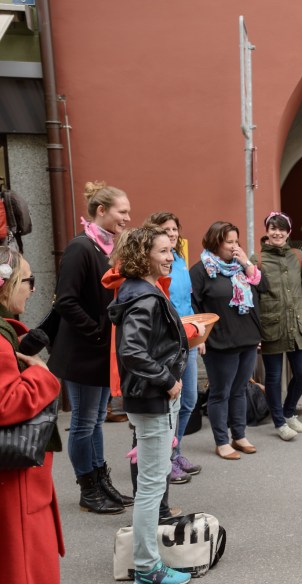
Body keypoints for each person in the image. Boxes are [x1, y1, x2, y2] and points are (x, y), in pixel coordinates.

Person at [108, 227, 199, 584]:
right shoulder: (144, 296)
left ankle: (148, 562)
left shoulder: (141, 290)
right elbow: (132, 351)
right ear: (143, 256)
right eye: (162, 251)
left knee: (152, 483)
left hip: (151, 399)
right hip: (153, 398)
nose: (169, 257)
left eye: (170, 251)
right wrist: (167, 379)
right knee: (150, 489)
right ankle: (147, 568)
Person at [49, 181, 133, 514]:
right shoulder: (80, 247)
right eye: (122, 211)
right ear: (101, 211)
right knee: (85, 422)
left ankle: (101, 480)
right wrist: (98, 333)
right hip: (82, 352)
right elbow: (66, 301)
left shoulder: (106, 247)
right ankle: (88, 488)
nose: (127, 217)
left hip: (99, 351)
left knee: (96, 419)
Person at [0, 247, 66, 583]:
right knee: (25, 567)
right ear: (7, 285)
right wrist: (41, 374)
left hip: (17, 481)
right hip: (15, 482)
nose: (33, 288)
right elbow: (6, 404)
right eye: (28, 280)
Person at [190, 221, 264, 460]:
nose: (234, 247)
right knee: (220, 392)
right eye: (228, 242)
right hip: (220, 341)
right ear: (215, 243)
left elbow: (263, 289)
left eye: (236, 242)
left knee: (240, 390)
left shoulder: (240, 267)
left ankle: (239, 436)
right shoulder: (201, 270)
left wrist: (247, 263)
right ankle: (221, 441)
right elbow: (193, 304)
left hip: (247, 338)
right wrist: (199, 337)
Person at [145, 212, 203, 484]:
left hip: (188, 338)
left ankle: (175, 451)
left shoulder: (178, 260)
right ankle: (165, 459)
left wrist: (199, 338)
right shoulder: (155, 264)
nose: (171, 233)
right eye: (165, 229)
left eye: (174, 229)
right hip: (168, 342)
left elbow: (186, 302)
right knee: (170, 404)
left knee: (189, 400)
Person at [252, 211, 302, 441]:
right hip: (271, 326)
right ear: (267, 231)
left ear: (288, 232)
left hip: (298, 323)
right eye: (273, 228)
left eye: (282, 229)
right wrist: (255, 331)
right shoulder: (257, 260)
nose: (277, 233)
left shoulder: (299, 257)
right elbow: (253, 299)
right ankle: (279, 422)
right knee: (273, 377)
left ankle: (289, 412)